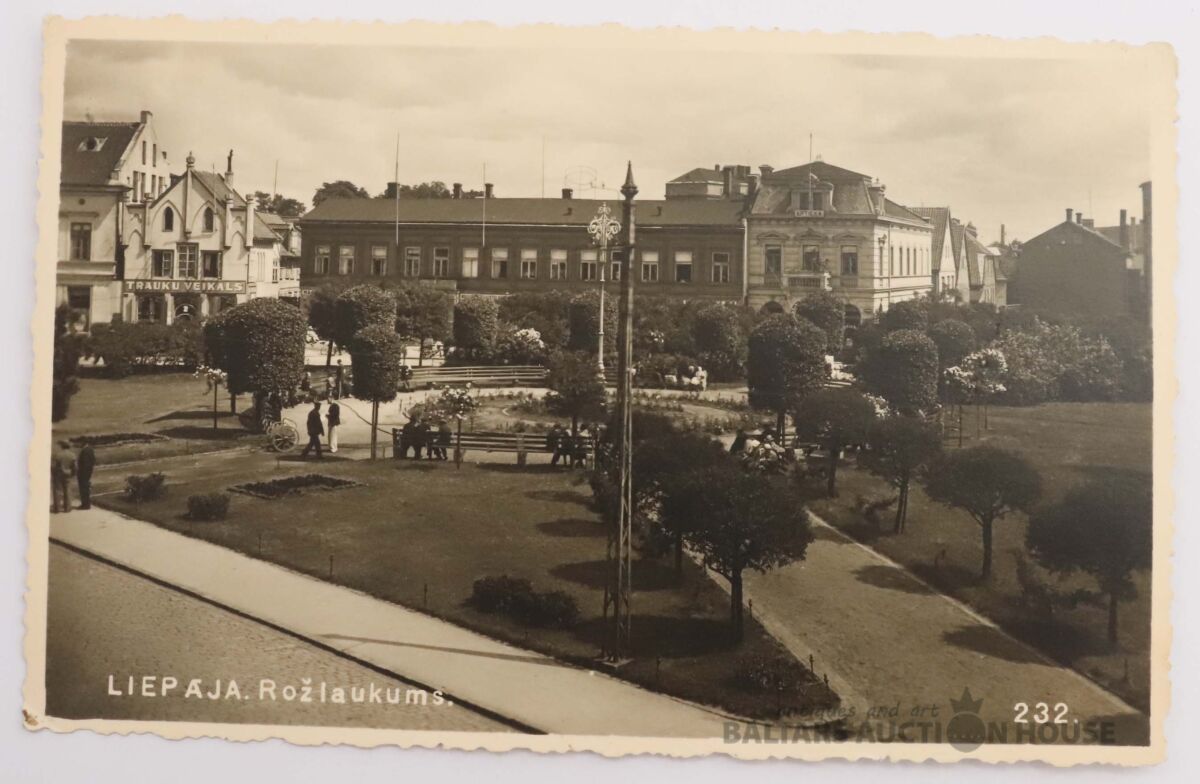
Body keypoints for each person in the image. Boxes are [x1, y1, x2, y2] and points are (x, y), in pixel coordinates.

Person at [50, 439, 75, 513]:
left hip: (58, 474)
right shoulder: (72, 455)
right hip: (68, 473)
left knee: (57, 491)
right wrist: (72, 473)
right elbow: (74, 467)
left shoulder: (57, 455)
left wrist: (53, 474)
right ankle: (67, 508)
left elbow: (54, 466)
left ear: (62, 446)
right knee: (67, 490)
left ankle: (57, 508)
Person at [76, 442, 96, 510]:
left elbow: (85, 463)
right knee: (86, 488)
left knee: (83, 489)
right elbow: (93, 461)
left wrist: (81, 473)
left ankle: (85, 505)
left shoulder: (85, 451)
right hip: (88, 472)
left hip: (84, 473)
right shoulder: (90, 449)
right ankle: (86, 504)